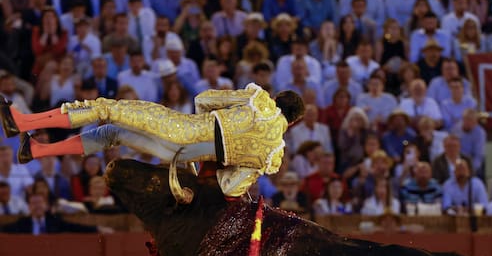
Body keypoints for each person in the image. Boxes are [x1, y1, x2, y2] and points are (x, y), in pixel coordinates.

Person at [1, 85, 305, 199]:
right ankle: (37, 150)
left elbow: (204, 99)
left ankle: (23, 122)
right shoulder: (271, 155)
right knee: (114, 134)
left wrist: (204, 125)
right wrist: (201, 158)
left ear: (277, 99)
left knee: (106, 109)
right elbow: (229, 187)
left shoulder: (259, 102)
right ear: (293, 123)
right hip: (179, 154)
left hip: (179, 128)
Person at [0, 191, 103, 234]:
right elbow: (6, 229)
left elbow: (75, 227)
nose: (37, 206)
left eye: (40, 202)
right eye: (34, 203)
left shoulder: (54, 221)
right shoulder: (23, 223)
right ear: (29, 207)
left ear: (46, 205)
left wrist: (97, 228)